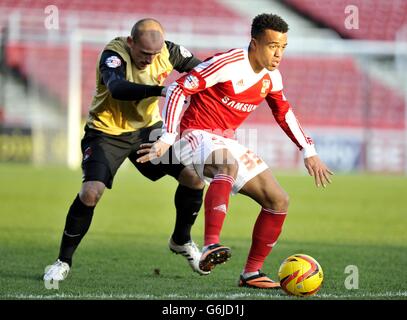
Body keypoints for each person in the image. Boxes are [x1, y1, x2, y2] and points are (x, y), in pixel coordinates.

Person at [137, 13, 333, 289]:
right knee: (227, 165)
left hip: (226, 140)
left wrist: (308, 150)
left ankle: (251, 273)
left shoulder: (272, 77)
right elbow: (179, 90)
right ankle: (210, 245)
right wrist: (167, 136)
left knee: (278, 200)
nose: (278, 54)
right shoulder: (227, 63)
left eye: (283, 47)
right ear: (254, 43)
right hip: (195, 134)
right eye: (272, 46)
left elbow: (284, 113)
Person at [43, 18, 209, 282]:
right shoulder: (114, 54)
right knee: (90, 193)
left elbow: (205, 70)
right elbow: (117, 88)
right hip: (106, 133)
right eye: (144, 53)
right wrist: (163, 90)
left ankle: (181, 240)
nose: (150, 59)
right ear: (131, 42)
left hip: (146, 130)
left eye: (154, 54)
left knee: (195, 179)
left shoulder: (170, 51)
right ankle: (62, 261)